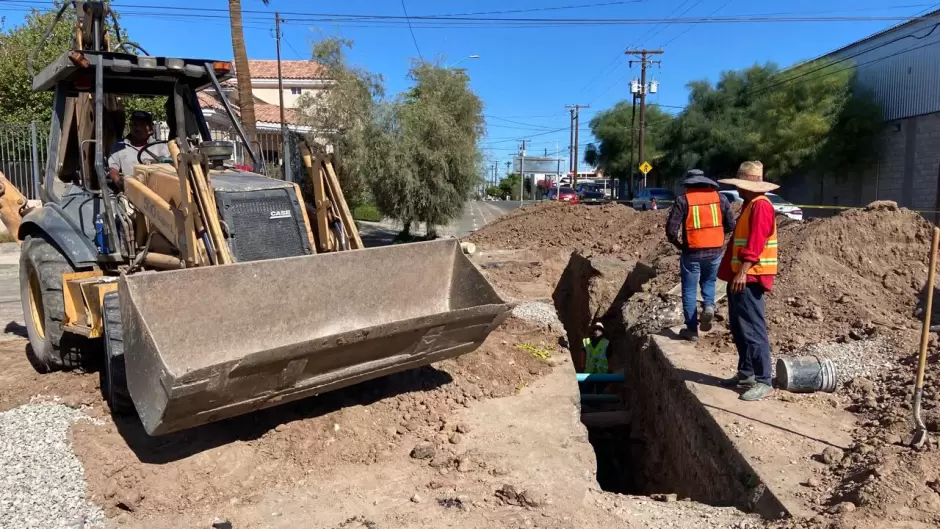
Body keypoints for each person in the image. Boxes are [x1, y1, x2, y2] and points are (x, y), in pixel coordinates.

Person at [716, 161, 779, 401]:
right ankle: (746, 374)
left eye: (740, 185)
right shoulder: (750, 205)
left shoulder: (761, 207)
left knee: (753, 329)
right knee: (740, 326)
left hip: (751, 276)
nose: (738, 190)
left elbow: (756, 243)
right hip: (740, 275)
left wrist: (743, 271)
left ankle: (764, 380)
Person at [665, 169, 735, 342]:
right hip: (715, 251)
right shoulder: (721, 199)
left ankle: (691, 330)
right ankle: (709, 306)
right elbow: (731, 224)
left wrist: (679, 245)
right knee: (709, 282)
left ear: (689, 184)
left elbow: (671, 231)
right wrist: (717, 235)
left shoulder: (683, 200)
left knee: (689, 290)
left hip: (692, 252)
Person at [107, 110, 170, 191]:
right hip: (130, 191)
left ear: (150, 128)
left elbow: (170, 166)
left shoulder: (160, 146)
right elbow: (113, 170)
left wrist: (156, 162)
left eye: (142, 125)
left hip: (158, 190)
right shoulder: (119, 146)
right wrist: (119, 182)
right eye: (134, 124)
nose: (137, 128)